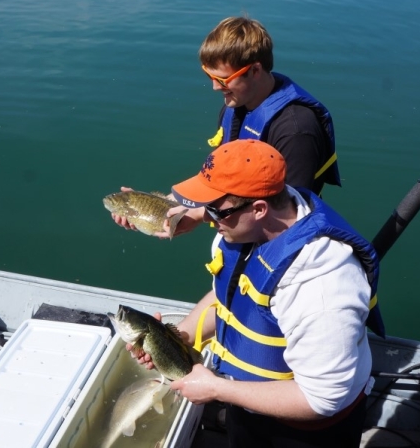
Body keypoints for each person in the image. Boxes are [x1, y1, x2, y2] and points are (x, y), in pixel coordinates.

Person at [133, 139, 384, 448]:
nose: (205, 217)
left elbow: (323, 398)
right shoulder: (242, 227)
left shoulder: (321, 286)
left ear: (259, 208)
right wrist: (176, 338)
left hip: (305, 431)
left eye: (215, 208)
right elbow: (230, 298)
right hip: (246, 402)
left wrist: (215, 390)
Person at [112, 16, 341, 238]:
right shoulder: (236, 103)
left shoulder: (296, 130)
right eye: (208, 75)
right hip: (235, 229)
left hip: (275, 242)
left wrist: (203, 212)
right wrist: (163, 204)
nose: (214, 87)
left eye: (222, 79)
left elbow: (285, 212)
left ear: (255, 70)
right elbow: (223, 176)